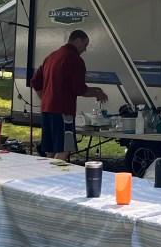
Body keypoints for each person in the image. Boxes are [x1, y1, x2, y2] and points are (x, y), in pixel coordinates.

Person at [30, 29, 108, 160]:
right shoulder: (75, 59)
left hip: (46, 110)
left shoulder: (51, 56)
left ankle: (47, 172)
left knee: (51, 150)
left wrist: (45, 98)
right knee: (64, 149)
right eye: (85, 45)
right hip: (63, 111)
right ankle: (56, 173)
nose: (85, 49)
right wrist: (96, 94)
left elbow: (35, 82)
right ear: (77, 40)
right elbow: (79, 89)